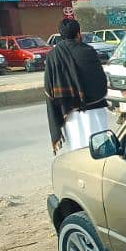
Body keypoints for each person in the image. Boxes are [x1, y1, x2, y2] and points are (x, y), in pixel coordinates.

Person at [44, 18, 109, 154]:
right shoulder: (89, 51)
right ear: (79, 34)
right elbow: (101, 83)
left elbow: (49, 90)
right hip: (94, 111)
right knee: (100, 151)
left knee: (78, 152)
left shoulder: (52, 55)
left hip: (69, 113)